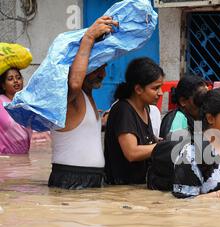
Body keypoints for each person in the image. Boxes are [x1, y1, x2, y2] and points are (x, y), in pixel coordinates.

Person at [48, 16, 119, 189]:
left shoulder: (88, 97)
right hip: (70, 178)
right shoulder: (68, 96)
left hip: (91, 179)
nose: (102, 74)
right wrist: (88, 38)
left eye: (104, 67)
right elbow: (74, 83)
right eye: (96, 68)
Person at [104, 57, 164, 185]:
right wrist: (164, 147)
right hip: (120, 189)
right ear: (138, 89)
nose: (161, 93)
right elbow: (132, 153)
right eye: (155, 88)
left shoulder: (146, 109)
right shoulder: (123, 110)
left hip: (137, 186)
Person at [159, 74, 208, 139]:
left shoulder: (197, 117)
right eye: (199, 100)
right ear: (183, 101)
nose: (203, 104)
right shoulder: (178, 119)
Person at [0, 68, 33, 154]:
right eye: (10, 79)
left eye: (18, 78)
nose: (15, 81)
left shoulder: (27, 104)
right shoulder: (0, 102)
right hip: (4, 158)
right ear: (3, 85)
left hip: (24, 158)